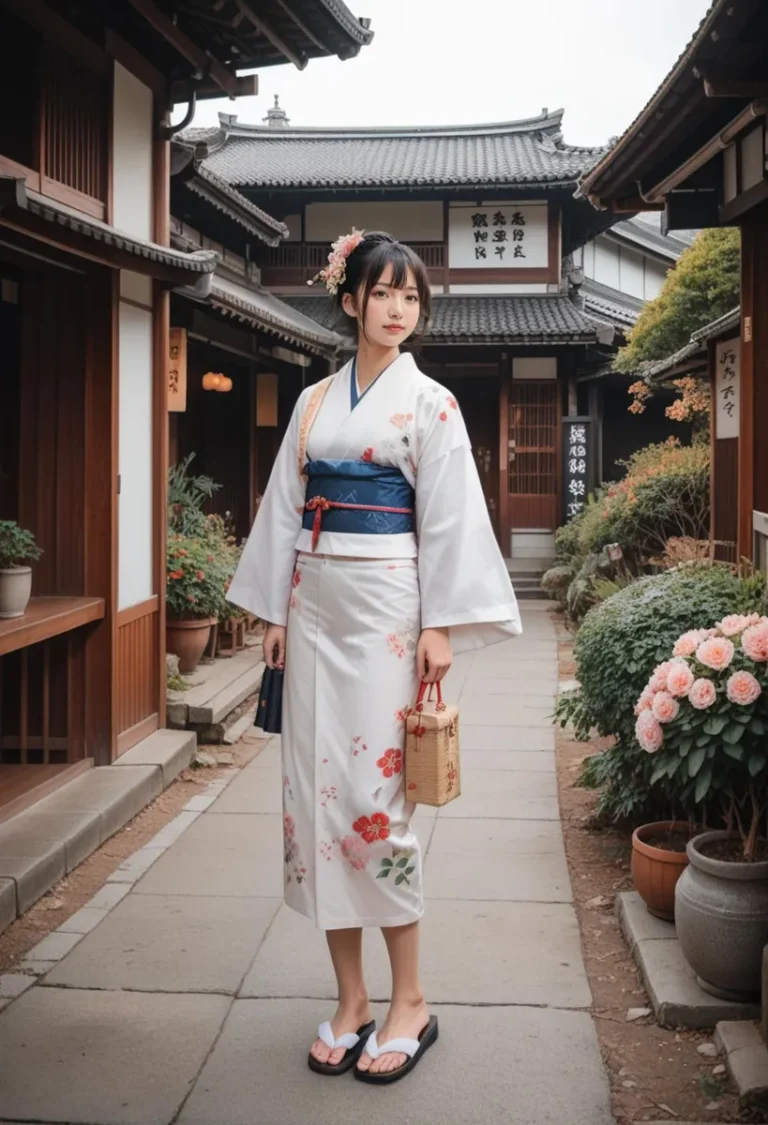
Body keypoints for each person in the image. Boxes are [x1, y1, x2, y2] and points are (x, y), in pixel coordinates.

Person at [228, 230, 521, 1084]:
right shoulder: (315, 403)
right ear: (350, 299)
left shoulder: (430, 404)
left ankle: (412, 1001)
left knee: (374, 802)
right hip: (314, 604)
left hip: (391, 610)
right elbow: (285, 506)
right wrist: (275, 609)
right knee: (316, 804)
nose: (398, 310)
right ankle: (352, 1000)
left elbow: (452, 518)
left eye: (411, 298)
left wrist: (442, 623)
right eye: (382, 293)